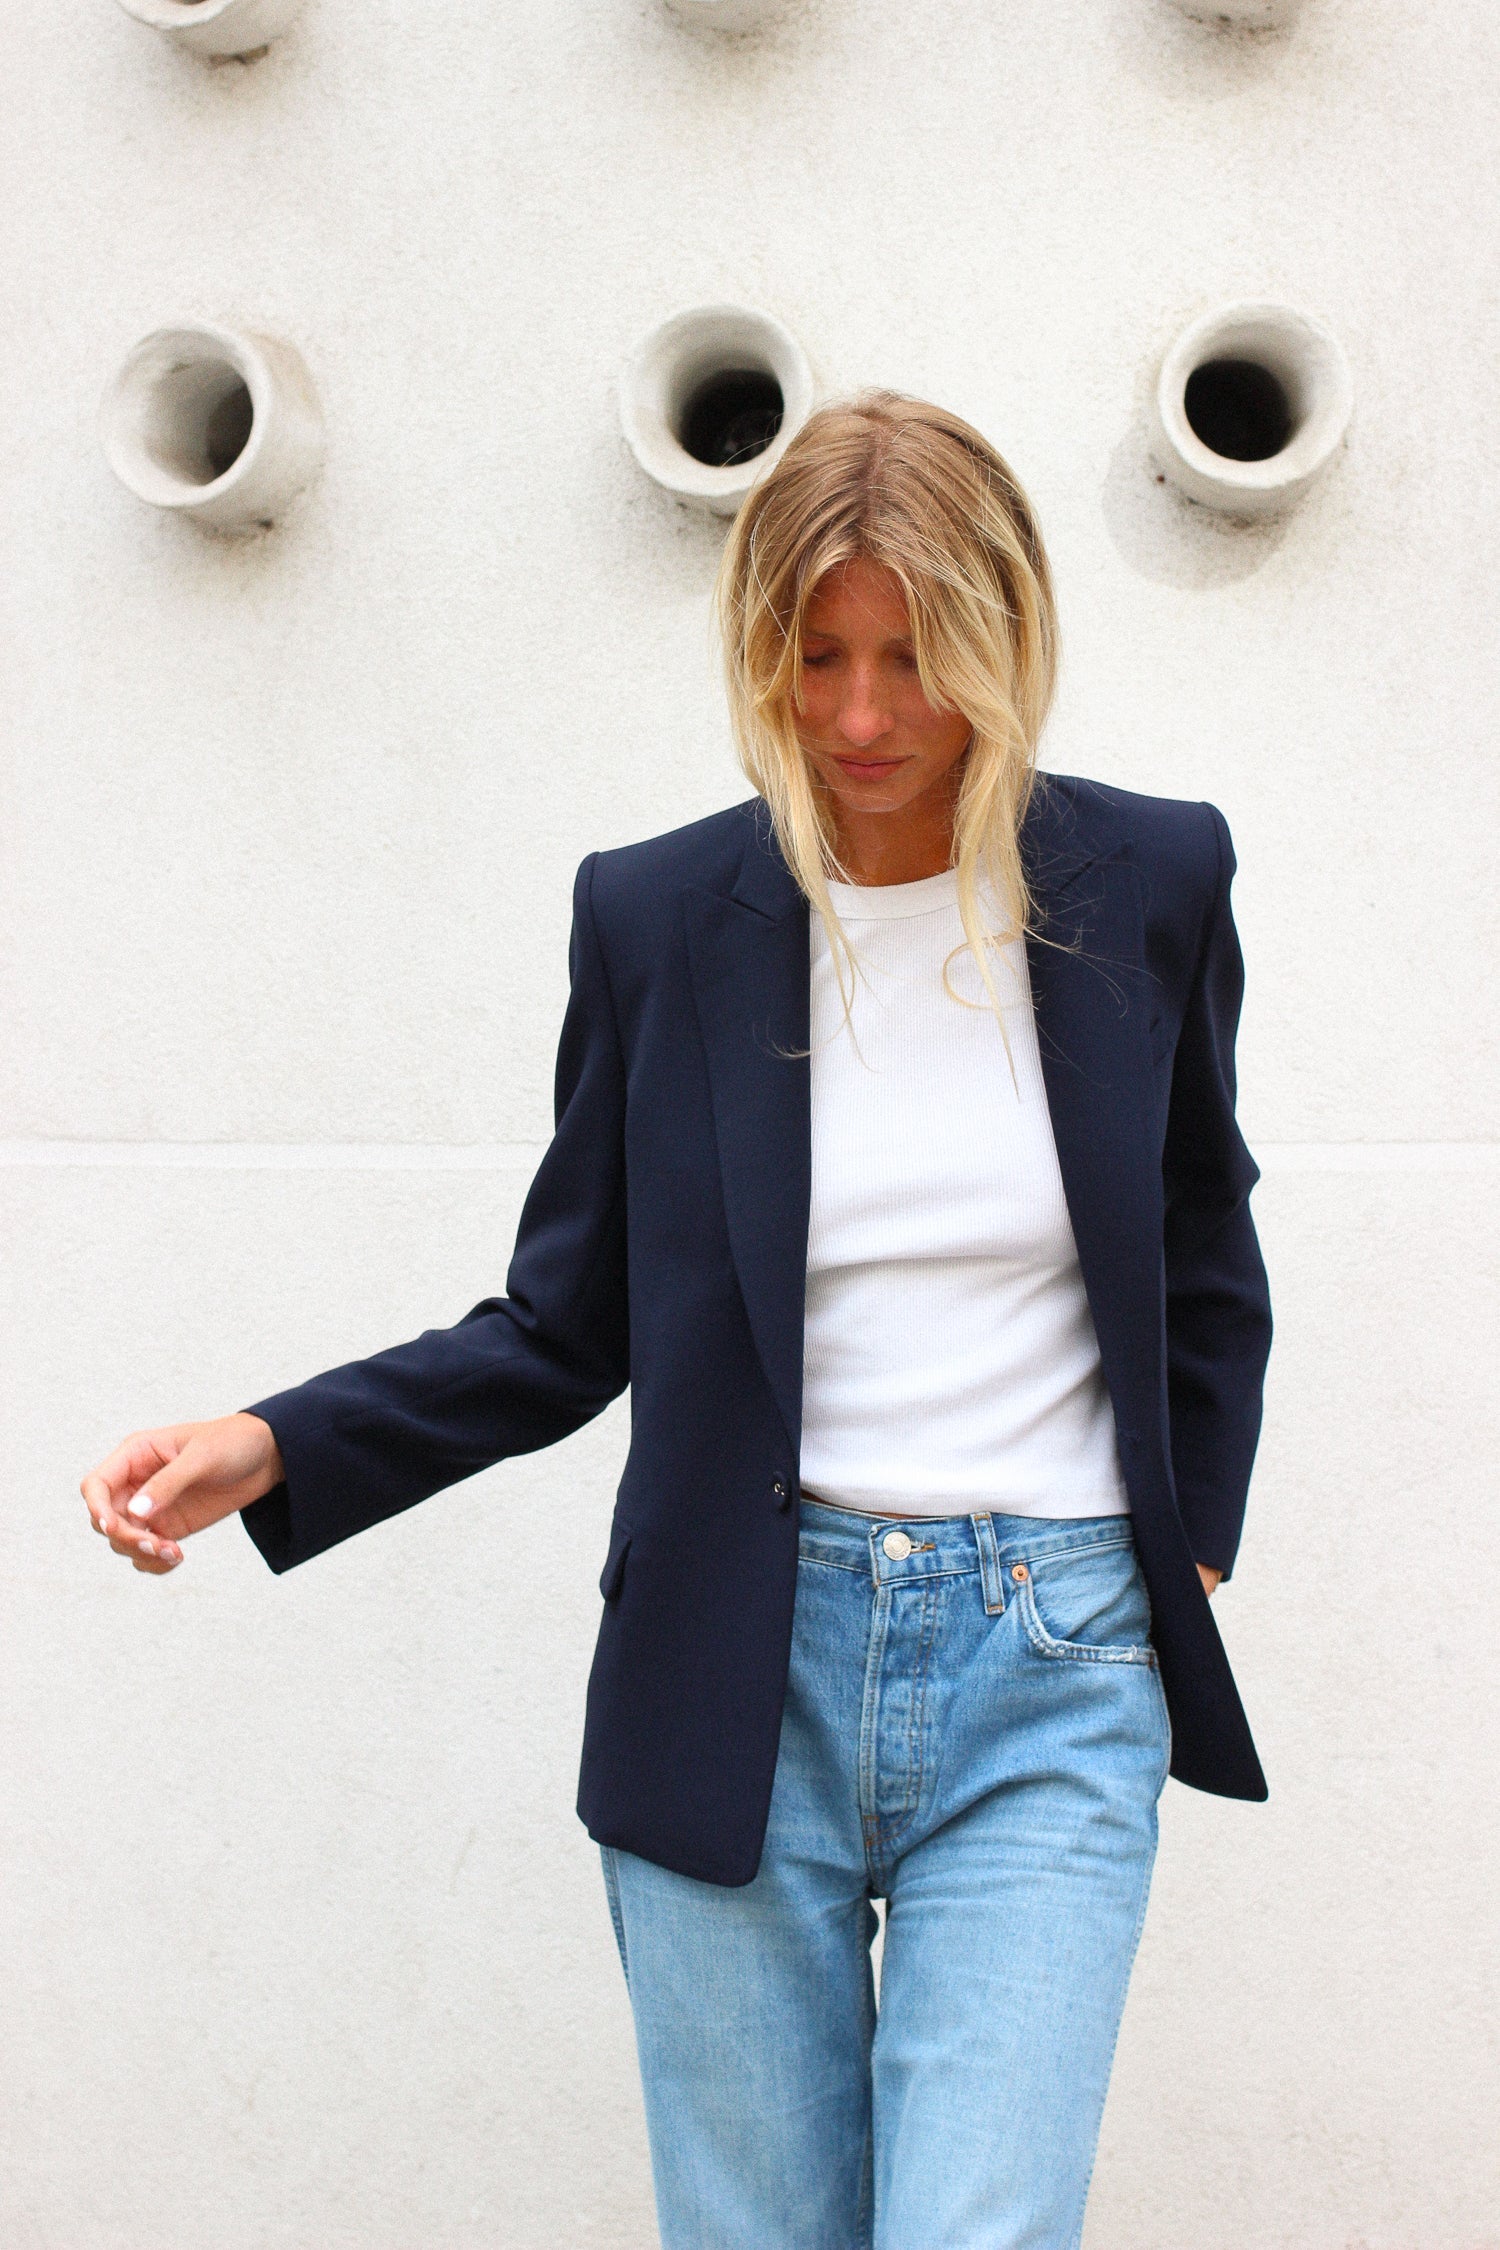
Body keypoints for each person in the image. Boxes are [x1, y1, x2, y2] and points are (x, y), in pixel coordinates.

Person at [81, 392, 1272, 2250]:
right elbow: (566, 1320)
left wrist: (1192, 1527)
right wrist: (281, 1439)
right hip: (741, 1659)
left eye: (916, 657)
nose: (864, 717)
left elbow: (1204, 1230)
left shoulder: (1151, 882)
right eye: (816, 658)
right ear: (755, 652)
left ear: (1005, 641)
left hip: (1052, 1662)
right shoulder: (659, 917)